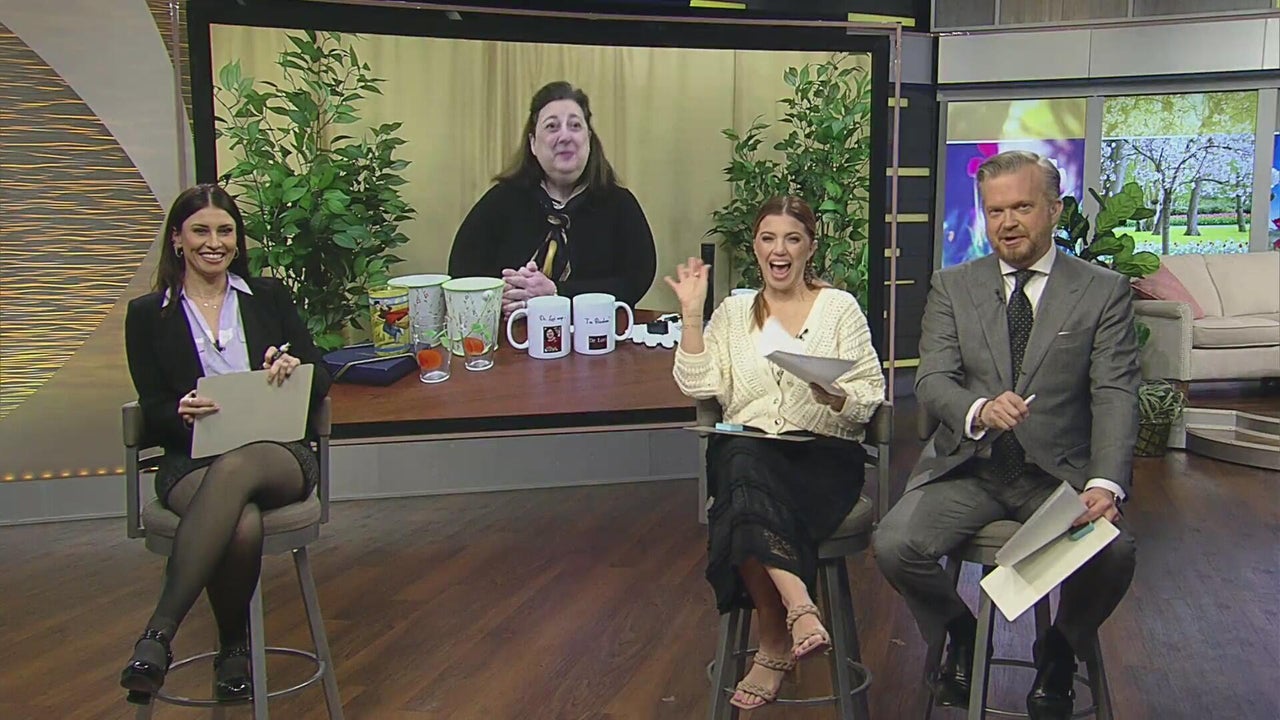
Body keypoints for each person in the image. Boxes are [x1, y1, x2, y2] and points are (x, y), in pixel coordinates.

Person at [872, 151, 1139, 720]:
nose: (1008, 223)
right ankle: (964, 636)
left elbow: (1115, 393)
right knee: (894, 545)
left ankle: (1059, 649)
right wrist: (978, 408)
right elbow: (933, 379)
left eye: (1022, 207)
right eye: (995, 211)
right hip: (969, 468)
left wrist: (1105, 484)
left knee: (1115, 553)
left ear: (1054, 210)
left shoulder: (1101, 290)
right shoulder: (953, 286)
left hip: (1056, 477)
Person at [668, 196, 885, 711]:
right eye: (768, 239)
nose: (779, 250)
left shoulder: (839, 308)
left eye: (792, 239)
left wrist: (838, 396)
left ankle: (774, 644)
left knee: (739, 494)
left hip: (820, 456)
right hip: (749, 450)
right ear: (756, 248)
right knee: (742, 462)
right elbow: (699, 385)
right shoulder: (734, 313)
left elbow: (869, 394)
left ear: (810, 247)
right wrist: (693, 315)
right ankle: (799, 610)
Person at [118, 184, 331, 703]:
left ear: (237, 239)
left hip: (277, 455)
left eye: (225, 231)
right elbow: (153, 408)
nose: (214, 243)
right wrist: (180, 411)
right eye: (200, 231)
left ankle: (158, 635)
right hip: (192, 459)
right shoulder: (147, 315)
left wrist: (294, 368)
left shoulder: (269, 298)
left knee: (236, 468)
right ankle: (234, 650)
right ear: (177, 239)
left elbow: (321, 377)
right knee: (241, 520)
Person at [447, 80, 657, 315]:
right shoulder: (501, 201)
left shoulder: (619, 204)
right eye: (552, 126)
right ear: (533, 143)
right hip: (512, 331)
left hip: (596, 331)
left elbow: (635, 280)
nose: (565, 136)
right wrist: (502, 294)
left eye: (575, 126)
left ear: (588, 139)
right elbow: (462, 272)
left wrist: (558, 294)